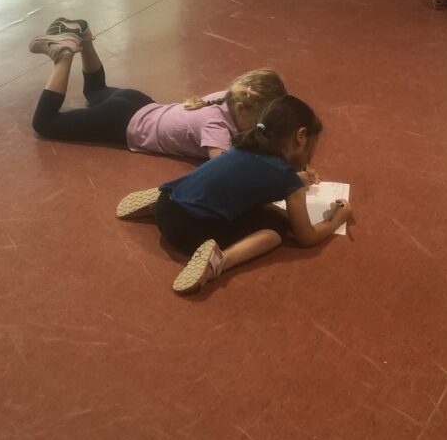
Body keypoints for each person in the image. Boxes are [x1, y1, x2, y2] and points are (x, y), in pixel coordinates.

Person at [118, 95, 352, 294]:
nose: (311, 155)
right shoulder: (287, 179)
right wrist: (336, 219)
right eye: (312, 146)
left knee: (251, 204)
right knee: (276, 229)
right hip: (189, 232)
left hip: (166, 204)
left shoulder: (243, 145)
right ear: (300, 137)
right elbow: (306, 237)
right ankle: (218, 261)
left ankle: (155, 203)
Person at [28, 18, 288, 159]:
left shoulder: (227, 97)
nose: (260, 129)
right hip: (121, 122)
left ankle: (84, 38)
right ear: (241, 109)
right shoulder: (215, 128)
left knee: (95, 92)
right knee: (45, 123)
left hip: (137, 102)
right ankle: (64, 55)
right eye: (259, 123)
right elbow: (226, 168)